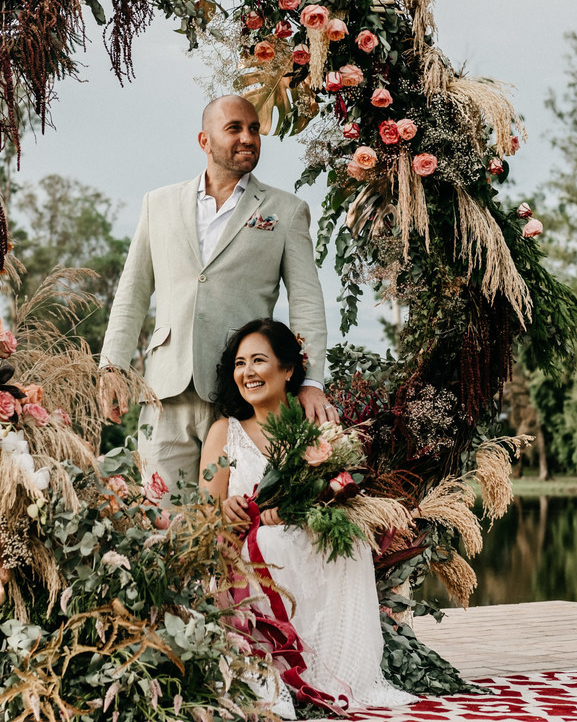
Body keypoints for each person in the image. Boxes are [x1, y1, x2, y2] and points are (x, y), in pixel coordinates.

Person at [98, 95, 337, 490]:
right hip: (165, 391)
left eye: (254, 129)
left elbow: (307, 301)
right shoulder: (158, 204)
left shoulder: (286, 210)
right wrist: (112, 367)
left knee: (229, 527)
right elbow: (133, 291)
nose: (248, 137)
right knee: (162, 526)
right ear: (204, 141)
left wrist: (311, 382)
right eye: (234, 129)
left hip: (242, 395)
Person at [199, 319, 418, 718]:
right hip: (246, 553)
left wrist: (298, 510)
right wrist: (224, 510)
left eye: (259, 361)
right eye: (239, 363)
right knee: (270, 541)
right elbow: (205, 511)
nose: (247, 372)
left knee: (346, 540)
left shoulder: (315, 429)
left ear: (288, 370)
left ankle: (334, 671)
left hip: (308, 541)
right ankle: (270, 672)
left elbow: (338, 495)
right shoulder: (224, 432)